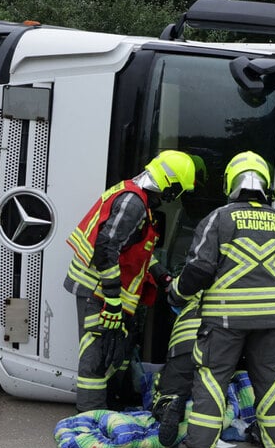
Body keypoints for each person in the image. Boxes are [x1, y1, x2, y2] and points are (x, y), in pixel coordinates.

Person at [168, 151, 275, 448]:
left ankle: (200, 447)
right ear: (267, 184)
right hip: (273, 320)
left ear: (231, 182)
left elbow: (200, 269)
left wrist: (176, 294)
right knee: (270, 378)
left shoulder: (218, 219)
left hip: (225, 320)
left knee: (212, 377)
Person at [63, 150, 195, 412]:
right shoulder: (133, 202)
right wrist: (111, 299)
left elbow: (138, 250)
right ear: (170, 184)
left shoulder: (138, 200)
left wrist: (161, 274)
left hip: (107, 292)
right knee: (96, 354)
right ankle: (89, 416)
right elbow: (105, 248)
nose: (175, 198)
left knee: (116, 353)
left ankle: (110, 407)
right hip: (97, 291)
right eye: (178, 190)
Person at [150, 292, 201, 447]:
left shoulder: (194, 279)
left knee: (169, 387)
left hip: (183, 340)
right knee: (211, 388)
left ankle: (168, 405)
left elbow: (175, 293)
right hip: (216, 342)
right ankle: (202, 416)